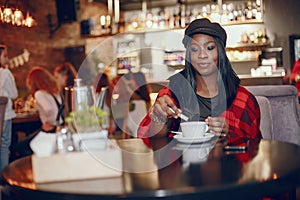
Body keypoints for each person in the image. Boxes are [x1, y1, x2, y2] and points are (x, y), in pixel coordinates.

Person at [138, 18, 262, 146]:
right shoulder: (171, 94)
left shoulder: (244, 100)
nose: (202, 55)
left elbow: (256, 148)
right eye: (194, 49)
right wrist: (160, 119)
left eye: (210, 48)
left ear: (221, 52)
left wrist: (228, 135)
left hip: (228, 165)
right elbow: (145, 139)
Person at [26, 67, 64, 133]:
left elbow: (48, 109)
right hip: (62, 124)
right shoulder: (55, 91)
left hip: (52, 128)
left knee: (24, 143)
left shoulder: (39, 94)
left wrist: (50, 123)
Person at [0, 45, 18, 171]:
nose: (7, 59)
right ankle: (3, 177)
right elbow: (14, 94)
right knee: (4, 145)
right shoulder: (5, 73)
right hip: (4, 115)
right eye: (5, 56)